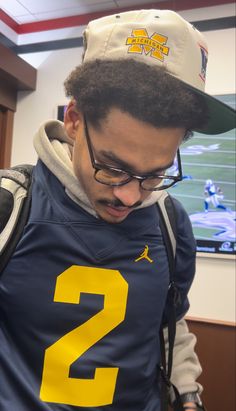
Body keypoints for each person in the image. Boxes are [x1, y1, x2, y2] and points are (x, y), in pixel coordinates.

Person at [0, 9, 235, 411]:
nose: (130, 197)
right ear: (74, 120)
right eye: (112, 167)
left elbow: (169, 324)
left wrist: (188, 396)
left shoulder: (170, 221)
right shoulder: (10, 205)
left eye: (155, 174)